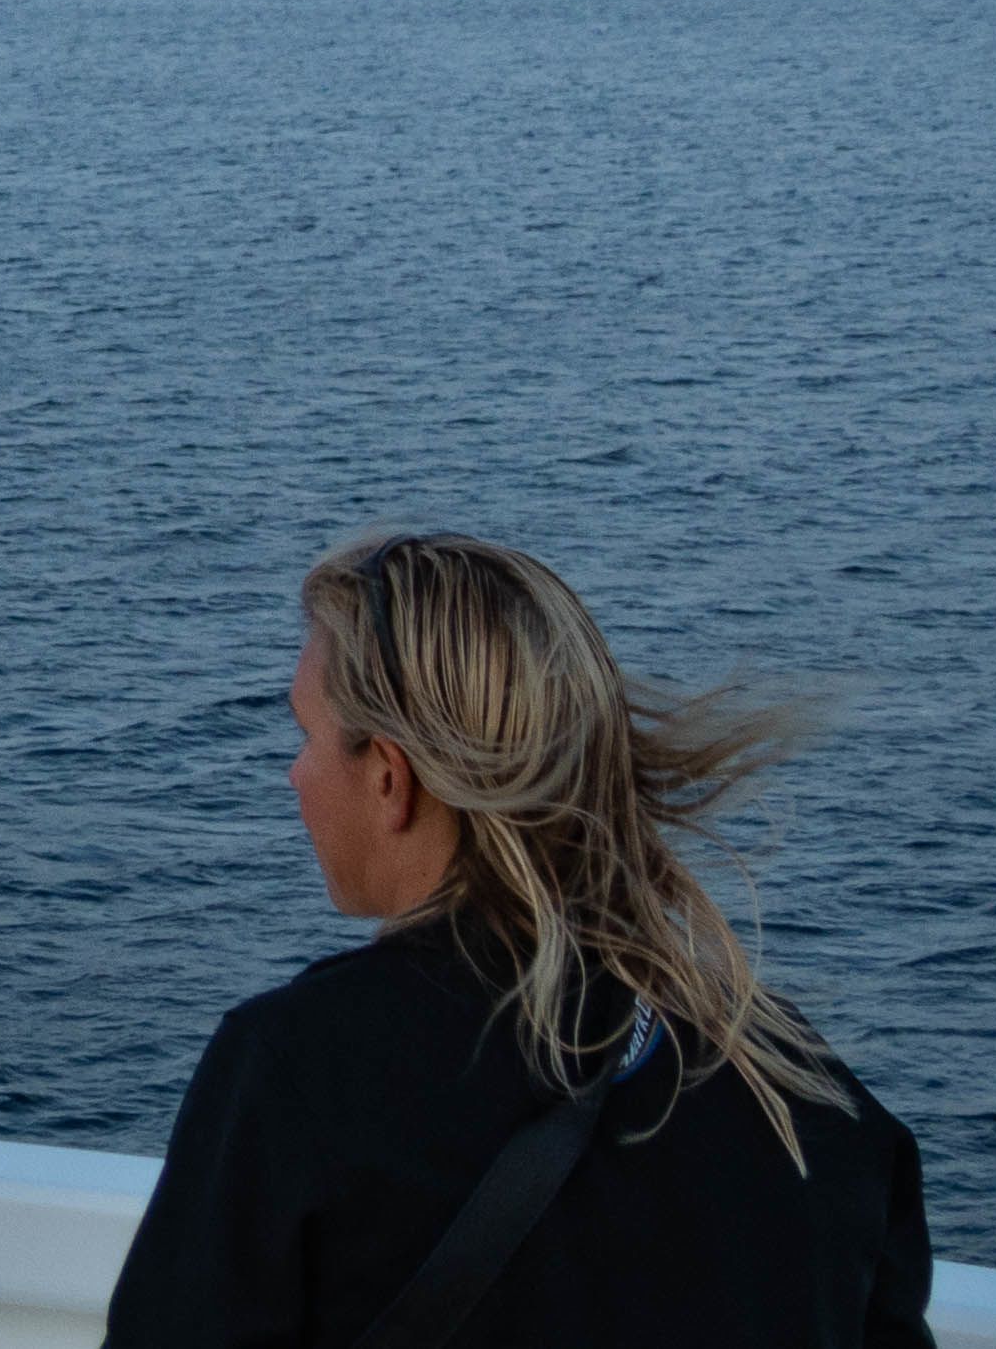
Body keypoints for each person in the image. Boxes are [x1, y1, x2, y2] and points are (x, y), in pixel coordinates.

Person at [105, 532, 936, 1348]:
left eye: (306, 736)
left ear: (390, 777)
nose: (294, 774)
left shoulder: (296, 1074)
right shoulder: (801, 1091)